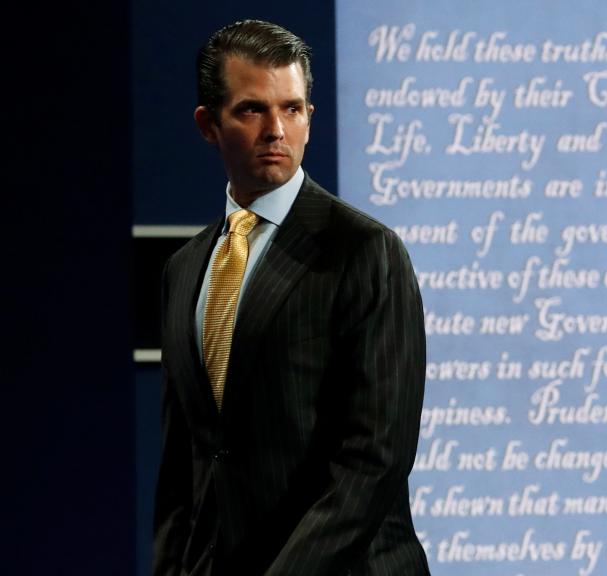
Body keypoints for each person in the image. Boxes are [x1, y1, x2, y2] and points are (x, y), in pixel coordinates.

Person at [153, 20, 429, 575]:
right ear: (208, 125)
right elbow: (183, 465)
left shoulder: (364, 251)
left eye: (294, 108)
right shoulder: (184, 271)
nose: (277, 129)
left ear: (309, 118)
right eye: (253, 109)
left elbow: (374, 459)